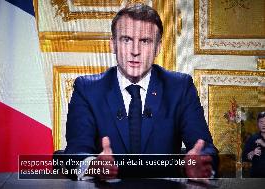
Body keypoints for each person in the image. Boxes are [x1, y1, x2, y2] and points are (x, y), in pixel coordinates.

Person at [64, 3, 218, 180]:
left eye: (145, 41)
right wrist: (93, 166)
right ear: (113, 44)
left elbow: (205, 147)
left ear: (157, 48)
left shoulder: (180, 87)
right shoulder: (87, 89)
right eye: (126, 40)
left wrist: (200, 164)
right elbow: (75, 153)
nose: (135, 51)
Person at [242, 111, 265, 177]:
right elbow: (244, 156)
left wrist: (263, 143)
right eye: (261, 122)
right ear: (258, 123)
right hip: (256, 177)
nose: (264, 124)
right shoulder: (253, 138)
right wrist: (252, 153)